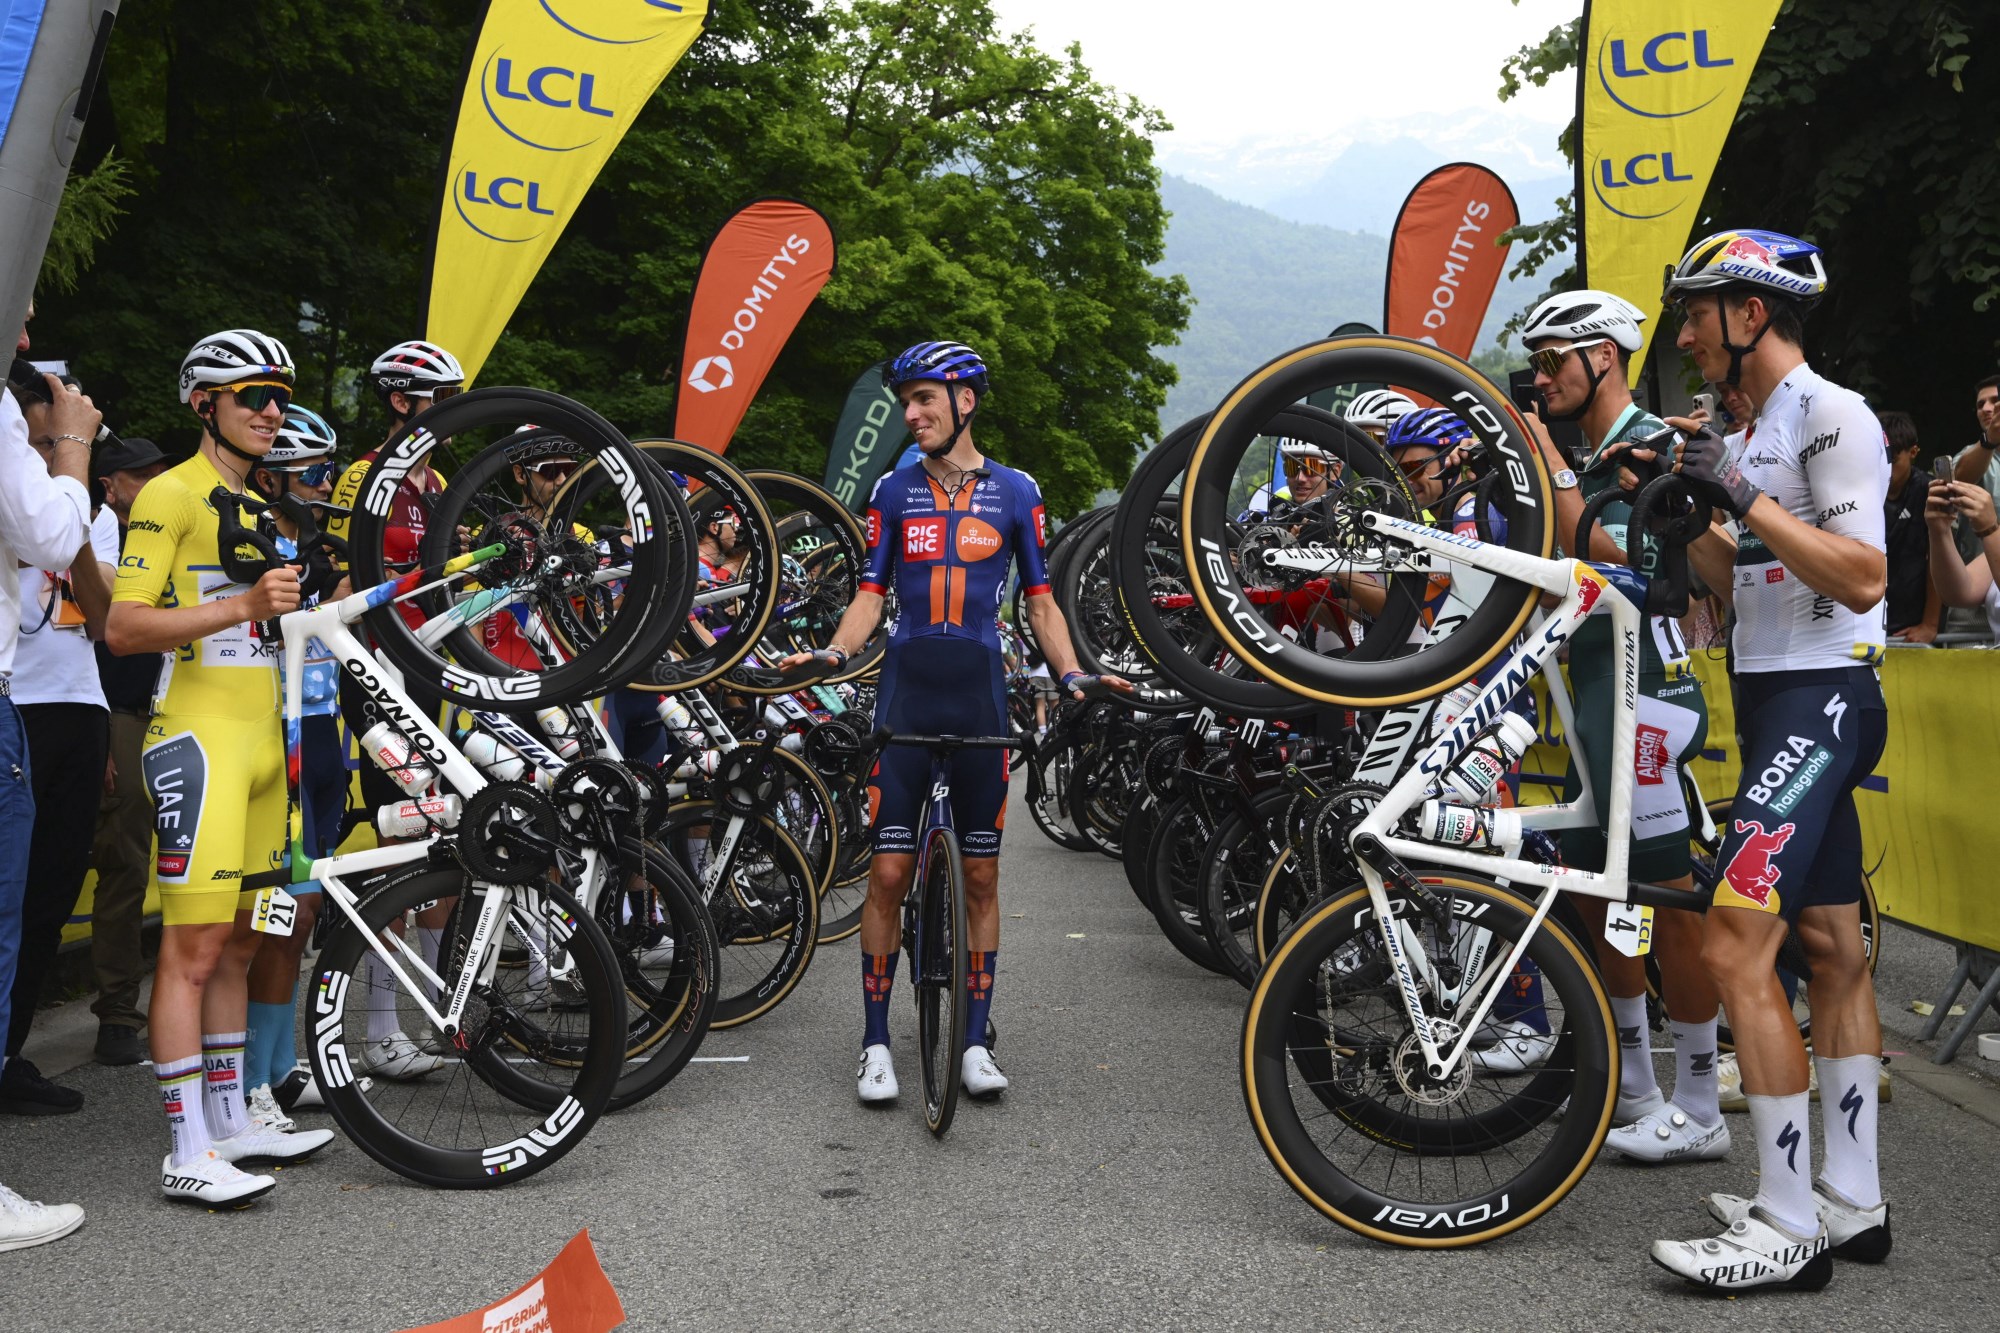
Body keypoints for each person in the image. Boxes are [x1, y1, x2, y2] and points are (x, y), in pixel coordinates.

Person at [777, 340, 1129, 1105]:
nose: (911, 414)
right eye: (906, 402)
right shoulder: (892, 489)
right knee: (890, 873)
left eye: (923, 399)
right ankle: (875, 1043)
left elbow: (1039, 602)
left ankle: (974, 1039)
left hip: (979, 699)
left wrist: (1070, 673)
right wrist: (835, 654)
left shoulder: (1015, 491)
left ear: (964, 401)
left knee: (979, 873)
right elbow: (870, 596)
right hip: (907, 695)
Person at [1651, 230, 1891, 1291]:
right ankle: (1851, 1199)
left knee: (1736, 947)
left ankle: (1782, 1221)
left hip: (1821, 697)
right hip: (1774, 701)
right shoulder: (1746, 436)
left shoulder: (1832, 413)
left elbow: (1863, 576)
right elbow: (1733, 568)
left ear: (1752, 313)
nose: (1687, 333)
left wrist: (1736, 497)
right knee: (1830, 946)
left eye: (1699, 312)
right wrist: (1681, 511)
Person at [106, 329, 335, 1206]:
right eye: (253, 396)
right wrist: (242, 603)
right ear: (205, 403)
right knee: (193, 947)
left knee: (246, 936)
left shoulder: (257, 503)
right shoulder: (171, 493)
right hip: (198, 736)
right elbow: (122, 627)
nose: (272, 411)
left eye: (279, 396)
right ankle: (183, 1143)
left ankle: (232, 1116)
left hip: (264, 739)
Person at [1516, 290, 1726, 1160]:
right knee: (1613, 898)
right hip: (1598, 688)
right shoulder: (1598, 447)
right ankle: (1636, 1086)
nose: (1538, 377)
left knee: (1669, 903)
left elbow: (1613, 556)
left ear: (1603, 354)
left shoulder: (1651, 439)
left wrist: (1550, 467)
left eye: (1552, 358)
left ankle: (1703, 1101)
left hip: (1650, 691)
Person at [0, 320, 98, 1251]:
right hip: (13, 703)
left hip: (61, 710)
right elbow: (43, 532)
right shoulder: (10, 419)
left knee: (36, 903)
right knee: (4, 917)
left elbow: (94, 605)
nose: (24, 328)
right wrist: (68, 452)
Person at [0, 369, 121, 1116]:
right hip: (21, 703)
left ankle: (12, 1055)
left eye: (58, 440)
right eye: (41, 438)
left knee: (45, 892)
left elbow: (105, 617)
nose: (51, 450)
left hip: (78, 708)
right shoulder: (21, 489)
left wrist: (75, 528)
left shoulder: (89, 509)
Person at [241, 405, 347, 1123]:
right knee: (276, 912)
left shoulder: (324, 549)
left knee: (302, 912)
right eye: (314, 473)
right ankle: (254, 1075)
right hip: (271, 730)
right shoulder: (243, 542)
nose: (325, 486)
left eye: (329, 471)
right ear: (274, 477)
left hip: (322, 733)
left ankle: (278, 1065)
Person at [87, 435, 169, 1066]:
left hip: (171, 714)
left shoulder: (173, 528)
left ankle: (134, 1011)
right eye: (135, 477)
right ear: (108, 486)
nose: (149, 484)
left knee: (147, 867)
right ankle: (117, 1015)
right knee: (119, 863)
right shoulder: (88, 538)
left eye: (156, 473)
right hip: (115, 716)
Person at [1940, 374, 2000, 642]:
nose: (1987, 408)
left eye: (1995, 401)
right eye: (1980, 404)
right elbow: (1959, 478)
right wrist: (1989, 440)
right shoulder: (1974, 453)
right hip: (1974, 601)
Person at [1876, 412, 1938, 645]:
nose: (1885, 466)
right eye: (1880, 457)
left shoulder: (1929, 490)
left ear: (1913, 452)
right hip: (1868, 616)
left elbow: (1938, 559)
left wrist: (1930, 625)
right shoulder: (1861, 490)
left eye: (1893, 458)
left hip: (1914, 621)